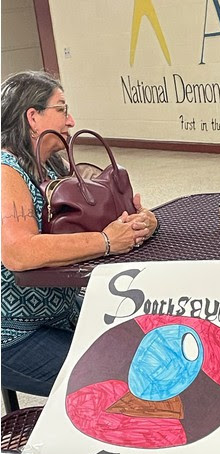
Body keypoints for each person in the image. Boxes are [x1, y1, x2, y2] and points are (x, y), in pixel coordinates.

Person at [1, 70, 158, 397]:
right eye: (61, 109)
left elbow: (89, 219)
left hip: (58, 310)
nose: (71, 120)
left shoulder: (52, 165)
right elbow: (19, 251)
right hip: (13, 333)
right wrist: (107, 241)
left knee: (153, 339)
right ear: (33, 117)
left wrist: (141, 220)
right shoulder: (5, 172)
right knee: (126, 382)